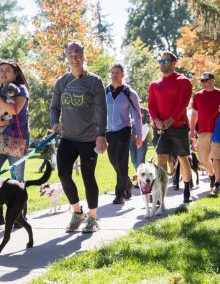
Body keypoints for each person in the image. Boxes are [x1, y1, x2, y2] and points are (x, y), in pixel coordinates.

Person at [50, 41, 107, 233]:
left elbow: (102, 109)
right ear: (66, 57)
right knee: (63, 174)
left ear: (83, 56)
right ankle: (77, 212)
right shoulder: (61, 82)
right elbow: (54, 107)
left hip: (89, 138)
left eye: (77, 53)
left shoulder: (94, 81)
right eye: (70, 54)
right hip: (68, 137)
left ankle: (93, 218)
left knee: (88, 176)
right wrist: (54, 122)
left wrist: (101, 134)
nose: (74, 57)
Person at [0, 59, 30, 228]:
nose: (3, 73)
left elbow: (14, 109)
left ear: (15, 74)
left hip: (16, 139)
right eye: (0, 69)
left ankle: (19, 216)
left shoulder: (21, 90)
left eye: (7, 70)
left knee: (17, 178)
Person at [148, 51, 193, 203]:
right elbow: (151, 105)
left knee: (182, 157)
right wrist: (156, 120)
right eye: (160, 60)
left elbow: (183, 104)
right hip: (160, 128)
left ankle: (187, 190)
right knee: (161, 158)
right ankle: (160, 194)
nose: (162, 63)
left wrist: (171, 119)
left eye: (166, 61)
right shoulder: (154, 84)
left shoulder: (183, 81)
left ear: (174, 63)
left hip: (179, 126)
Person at [189, 72, 220, 195]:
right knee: (203, 160)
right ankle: (212, 175)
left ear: (213, 80)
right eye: (202, 81)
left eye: (206, 80)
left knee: (217, 159)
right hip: (202, 132)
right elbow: (194, 114)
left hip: (218, 131)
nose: (204, 83)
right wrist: (192, 130)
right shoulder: (198, 96)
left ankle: (218, 183)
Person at [105, 63, 142, 204]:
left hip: (124, 130)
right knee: (113, 161)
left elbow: (137, 115)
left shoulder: (129, 93)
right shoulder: (105, 91)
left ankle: (119, 195)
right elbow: (100, 112)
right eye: (112, 72)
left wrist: (139, 135)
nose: (114, 74)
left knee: (121, 161)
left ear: (123, 75)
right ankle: (128, 184)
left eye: (117, 72)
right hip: (109, 132)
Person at [130, 106, 150, 171]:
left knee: (140, 162)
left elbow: (148, 123)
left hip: (141, 140)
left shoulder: (144, 111)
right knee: (133, 161)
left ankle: (141, 179)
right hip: (131, 141)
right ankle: (140, 177)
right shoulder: (128, 111)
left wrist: (141, 118)